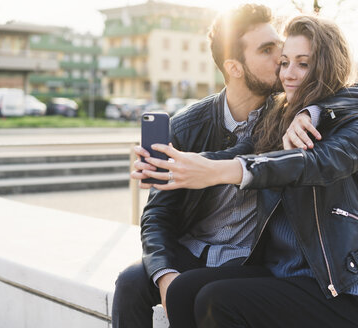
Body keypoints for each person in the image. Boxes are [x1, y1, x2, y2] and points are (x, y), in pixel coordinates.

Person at [135, 15, 358, 328]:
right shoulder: (282, 119)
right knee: (181, 292)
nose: (288, 74)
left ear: (325, 65)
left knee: (215, 301)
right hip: (282, 272)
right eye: (284, 62)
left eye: (303, 63)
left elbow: (312, 163)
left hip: (339, 287)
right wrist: (171, 163)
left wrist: (314, 110)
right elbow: (237, 154)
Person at [112, 5, 319, 328]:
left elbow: (354, 95)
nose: (281, 57)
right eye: (267, 50)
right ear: (234, 67)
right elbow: (157, 216)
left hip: (254, 260)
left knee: (205, 298)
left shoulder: (289, 114)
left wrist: (311, 114)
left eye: (278, 45)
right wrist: (165, 276)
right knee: (130, 283)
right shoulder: (186, 126)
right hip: (194, 249)